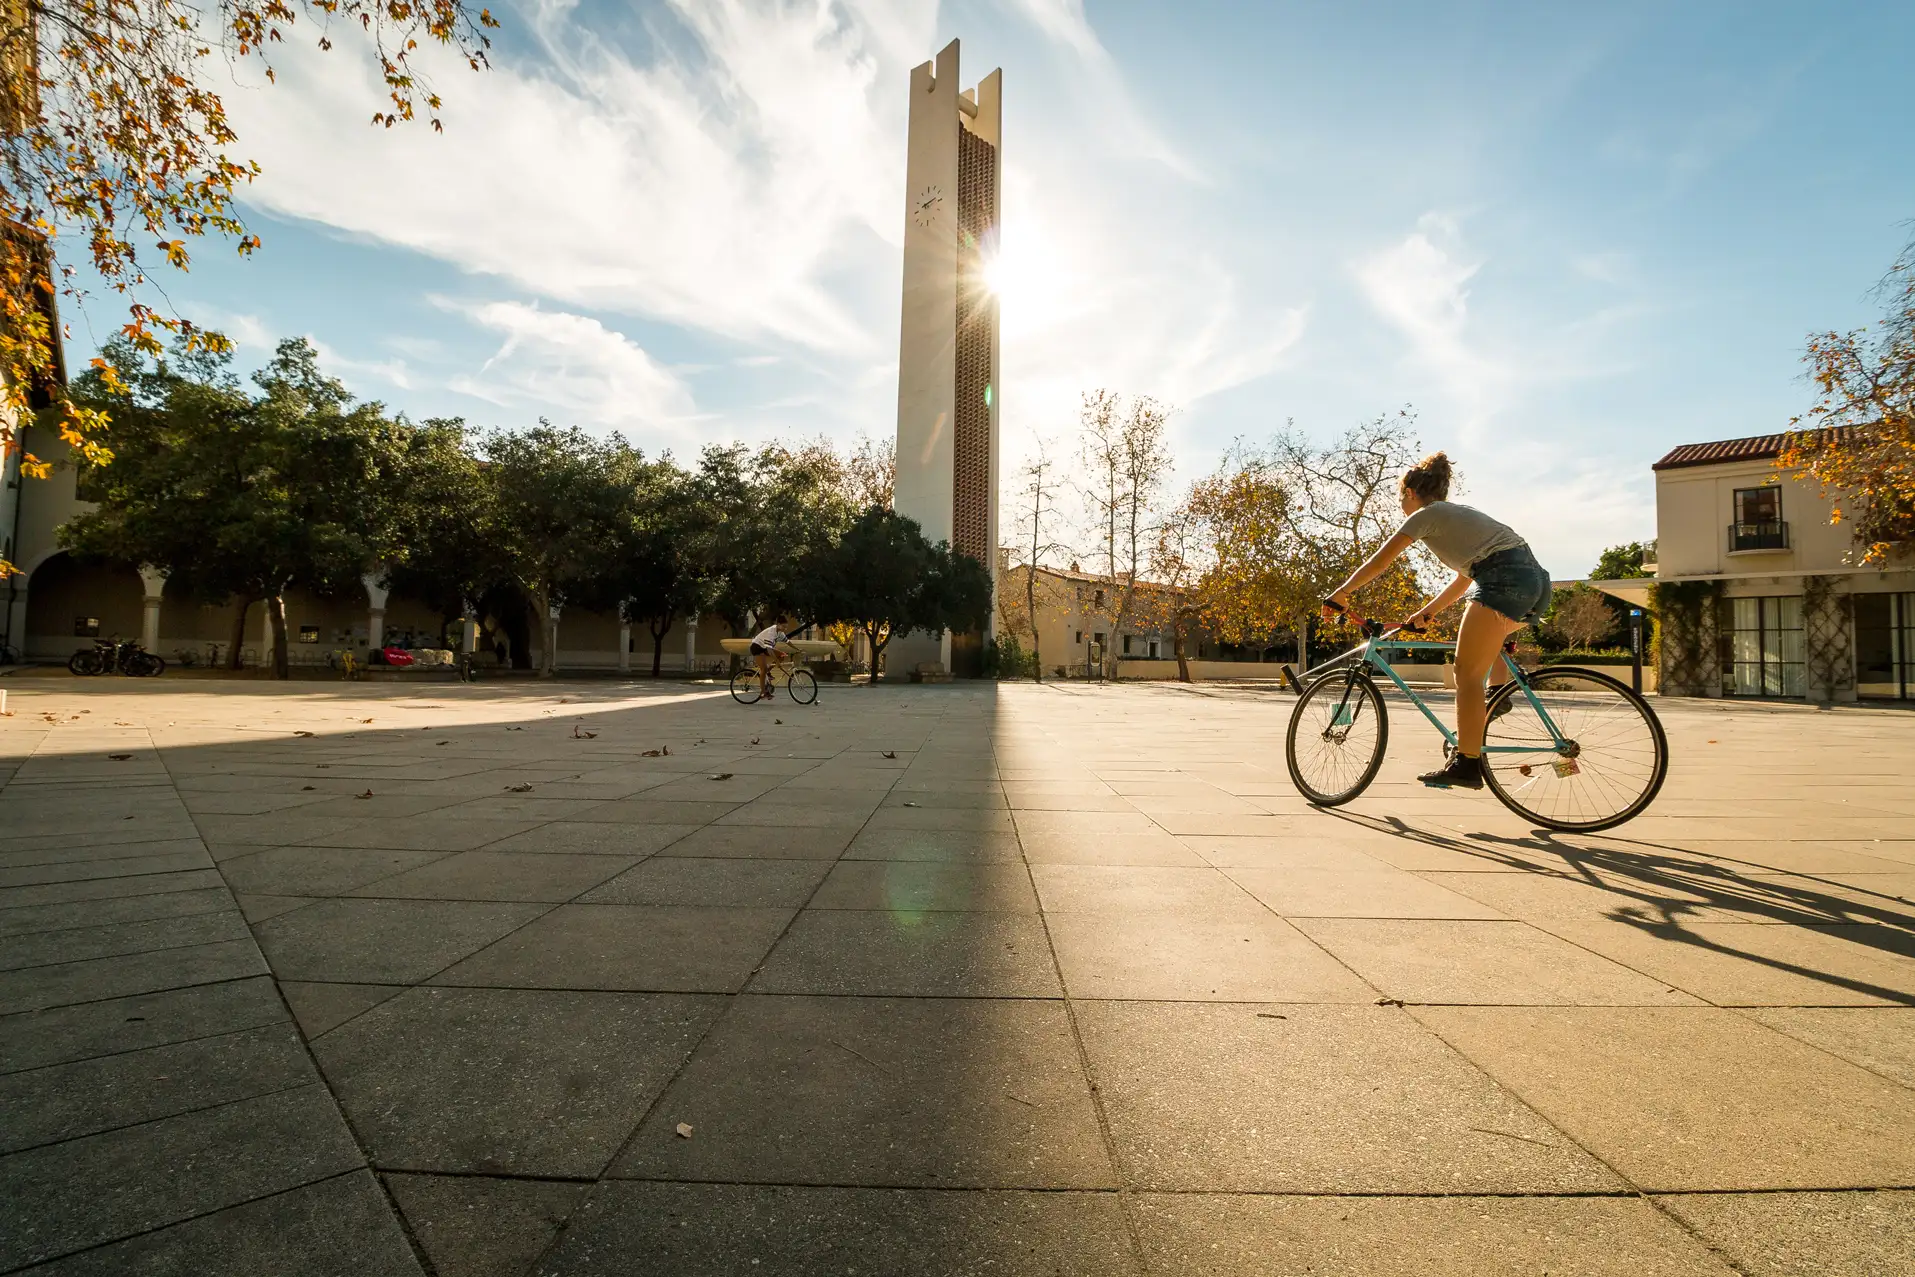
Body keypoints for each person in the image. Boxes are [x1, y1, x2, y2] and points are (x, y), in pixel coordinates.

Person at [1319, 452, 1552, 789]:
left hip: (1505, 581)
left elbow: (1381, 561)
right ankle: (1497, 696)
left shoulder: (1427, 515)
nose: (1401, 503)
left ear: (1410, 493)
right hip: (1536, 584)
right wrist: (1428, 612)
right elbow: (1462, 579)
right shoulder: (1457, 516)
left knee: (1465, 673)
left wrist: (1340, 592)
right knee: (1485, 649)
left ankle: (1468, 764)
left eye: (1401, 497)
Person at [749, 622, 792, 701]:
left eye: (786, 628)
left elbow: (788, 642)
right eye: (783, 627)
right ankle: (762, 692)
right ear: (778, 624)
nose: (784, 629)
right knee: (763, 669)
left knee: (782, 655)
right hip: (757, 647)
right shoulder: (771, 631)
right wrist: (777, 662)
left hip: (764, 647)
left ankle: (768, 672)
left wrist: (798, 649)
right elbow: (769, 650)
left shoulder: (780, 633)